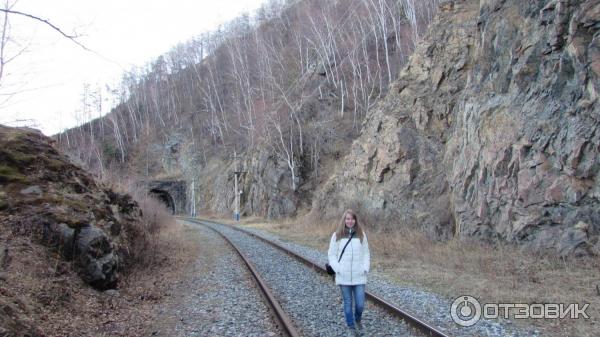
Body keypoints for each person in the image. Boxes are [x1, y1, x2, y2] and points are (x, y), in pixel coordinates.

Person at [327, 209, 370, 336]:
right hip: (343, 275)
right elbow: (332, 254)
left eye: (352, 219)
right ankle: (351, 326)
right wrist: (338, 269)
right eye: (347, 219)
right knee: (347, 302)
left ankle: (357, 319)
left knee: (360, 304)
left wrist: (365, 268)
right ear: (344, 220)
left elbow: (366, 253)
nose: (349, 221)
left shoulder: (361, 234)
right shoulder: (337, 235)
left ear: (355, 220)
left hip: (359, 275)